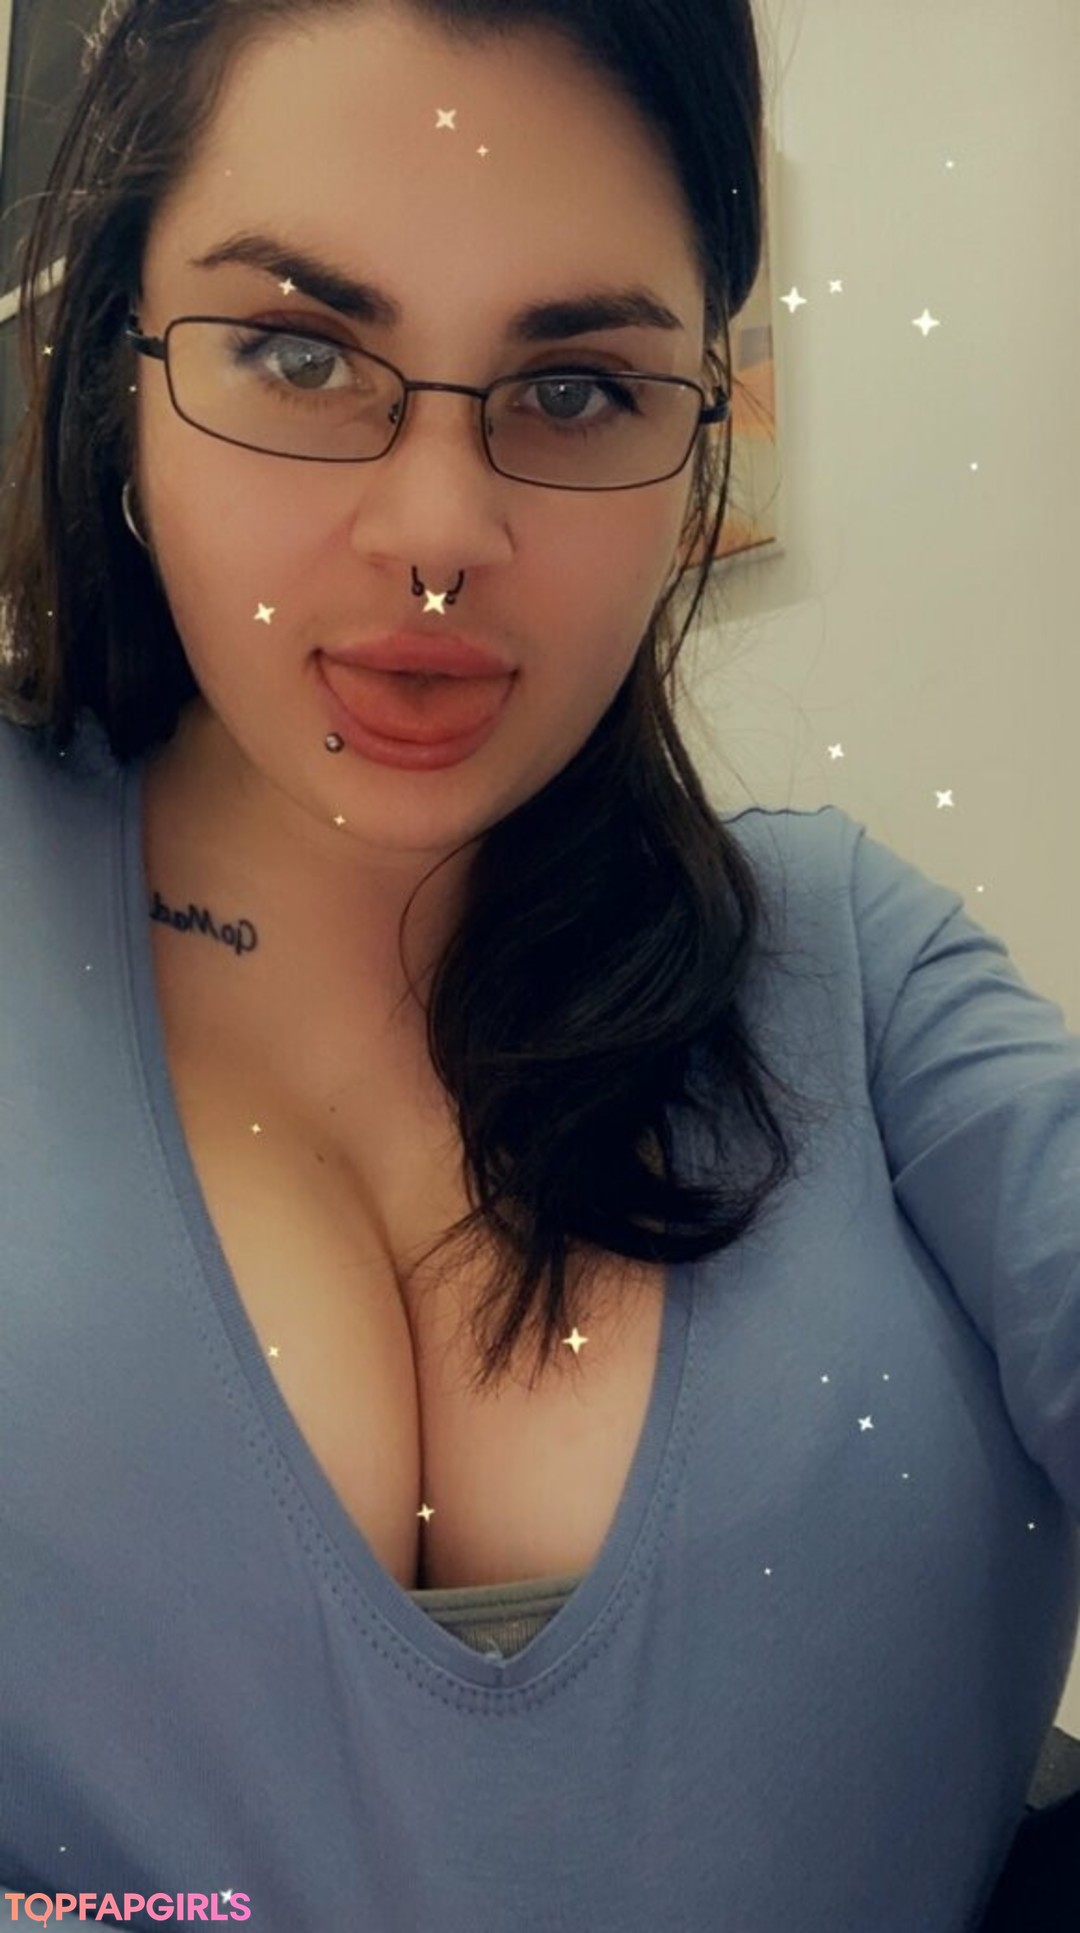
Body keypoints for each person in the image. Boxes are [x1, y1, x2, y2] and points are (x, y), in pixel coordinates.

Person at [0, 2, 1076, 1927]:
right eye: (298, 353)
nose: (437, 537)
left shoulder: (853, 969)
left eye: (577, 385)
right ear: (117, 374)